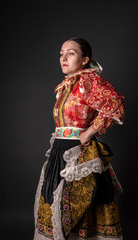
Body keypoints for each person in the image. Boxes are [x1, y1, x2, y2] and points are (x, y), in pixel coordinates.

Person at [33, 37, 125, 240]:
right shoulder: (67, 85)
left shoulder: (87, 80)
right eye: (61, 53)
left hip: (79, 152)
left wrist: (89, 133)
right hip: (60, 149)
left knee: (82, 209)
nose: (63, 57)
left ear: (85, 60)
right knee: (56, 205)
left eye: (71, 53)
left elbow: (115, 103)